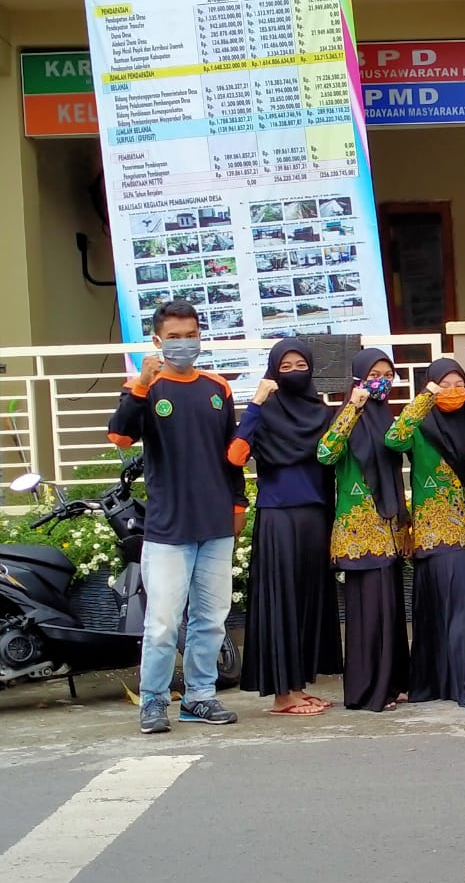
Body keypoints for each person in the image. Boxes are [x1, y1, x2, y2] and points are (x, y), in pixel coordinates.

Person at [107, 300, 245, 734]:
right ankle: (153, 701)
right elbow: (120, 436)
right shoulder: (144, 386)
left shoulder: (217, 386)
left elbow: (233, 455)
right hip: (168, 529)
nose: (184, 344)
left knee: (211, 619)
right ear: (157, 341)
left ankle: (200, 697)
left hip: (215, 524)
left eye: (191, 335)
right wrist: (142, 386)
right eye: (174, 337)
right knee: (163, 622)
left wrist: (238, 505)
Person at [230, 340, 341, 716]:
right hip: (278, 515)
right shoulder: (265, 413)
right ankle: (281, 695)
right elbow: (235, 454)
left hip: (316, 513)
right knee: (282, 604)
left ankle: (297, 685)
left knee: (308, 602)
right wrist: (256, 404)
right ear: (274, 371)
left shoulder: (320, 413)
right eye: (286, 366)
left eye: (300, 364)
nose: (294, 371)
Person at [385, 358, 465, 711]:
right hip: (436, 533)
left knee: (458, 609)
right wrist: (425, 399)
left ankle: (440, 684)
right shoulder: (419, 427)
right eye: (443, 384)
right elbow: (394, 438)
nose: (452, 391)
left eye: (458, 383)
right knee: (443, 610)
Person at [317, 349, 410, 712]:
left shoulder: (386, 417)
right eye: (375, 373)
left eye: (388, 373)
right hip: (358, 534)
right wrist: (352, 409)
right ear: (358, 378)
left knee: (390, 612)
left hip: (388, 528)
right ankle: (366, 691)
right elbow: (326, 454)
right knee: (367, 616)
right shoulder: (347, 414)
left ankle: (390, 685)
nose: (382, 379)